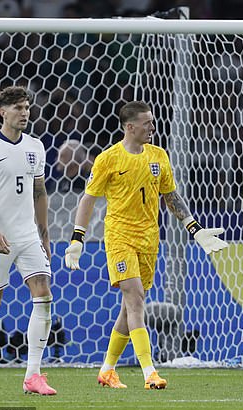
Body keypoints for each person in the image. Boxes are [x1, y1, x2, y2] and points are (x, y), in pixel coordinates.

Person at [63, 101, 228, 390]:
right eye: (147, 123)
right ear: (130, 127)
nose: (152, 127)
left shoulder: (159, 156)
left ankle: (107, 369)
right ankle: (149, 371)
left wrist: (196, 230)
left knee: (129, 308)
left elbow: (171, 196)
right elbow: (88, 199)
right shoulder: (108, 159)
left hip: (150, 239)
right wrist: (77, 238)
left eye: (152, 122)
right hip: (119, 237)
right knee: (136, 298)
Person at [0, 86, 56, 396]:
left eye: (27, 107)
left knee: (43, 294)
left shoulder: (35, 146)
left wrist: (44, 235)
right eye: (18, 108)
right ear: (2, 111)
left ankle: (33, 375)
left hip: (28, 236)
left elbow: (40, 193)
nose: (25, 113)